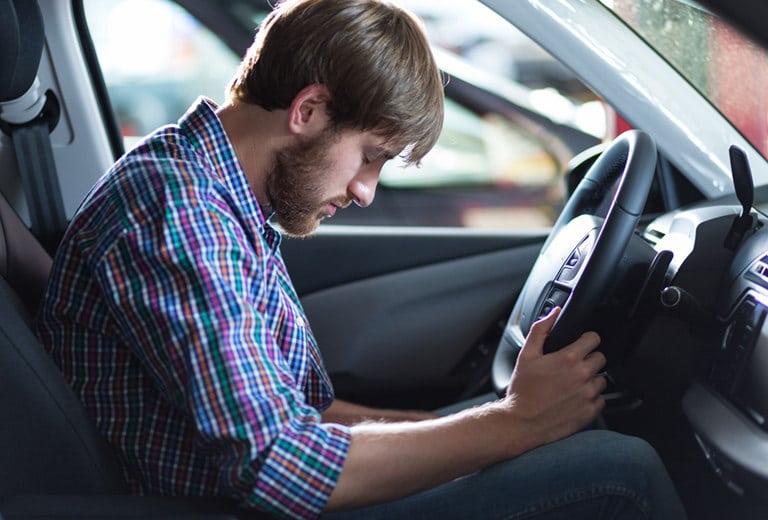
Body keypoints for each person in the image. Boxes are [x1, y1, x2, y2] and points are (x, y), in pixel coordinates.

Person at [36, 0, 686, 518]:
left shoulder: (215, 192)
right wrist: (511, 425)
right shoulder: (179, 213)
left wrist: (472, 426)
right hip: (224, 505)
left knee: (571, 430)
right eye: (371, 155)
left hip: (253, 488)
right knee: (621, 469)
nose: (365, 191)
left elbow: (306, 409)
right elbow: (280, 469)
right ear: (309, 110)